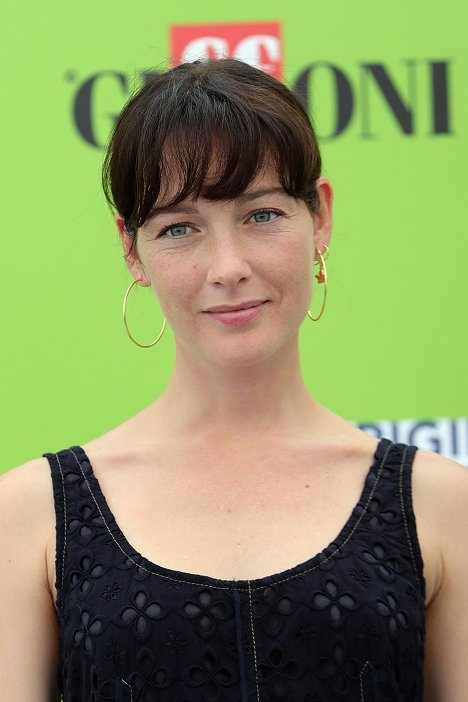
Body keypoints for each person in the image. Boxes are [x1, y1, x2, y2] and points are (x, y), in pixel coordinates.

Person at [0, 58, 467, 702]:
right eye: (180, 228)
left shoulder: (441, 504)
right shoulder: (29, 515)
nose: (228, 266)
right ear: (132, 251)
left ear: (320, 217)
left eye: (262, 214)